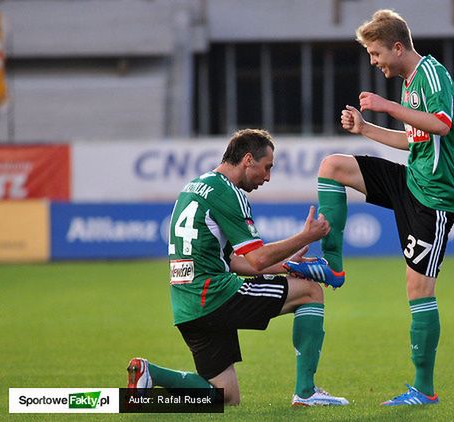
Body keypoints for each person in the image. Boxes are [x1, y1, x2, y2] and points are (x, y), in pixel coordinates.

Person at [285, 9, 454, 406]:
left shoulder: (431, 75)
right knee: (333, 167)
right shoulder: (409, 82)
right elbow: (414, 141)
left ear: (398, 47)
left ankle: (423, 390)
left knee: (418, 289)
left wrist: (385, 106)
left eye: (376, 53)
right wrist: (365, 129)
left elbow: (441, 125)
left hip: (434, 196)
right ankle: (333, 265)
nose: (374, 62)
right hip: (412, 179)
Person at [127, 129, 348, 407]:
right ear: (247, 160)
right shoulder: (228, 193)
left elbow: (231, 260)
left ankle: (150, 373)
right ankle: (306, 393)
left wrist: (286, 265)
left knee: (226, 398)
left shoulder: (194, 186)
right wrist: (306, 236)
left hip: (187, 306)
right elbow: (256, 260)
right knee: (311, 292)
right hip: (215, 295)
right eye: (267, 168)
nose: (267, 177)